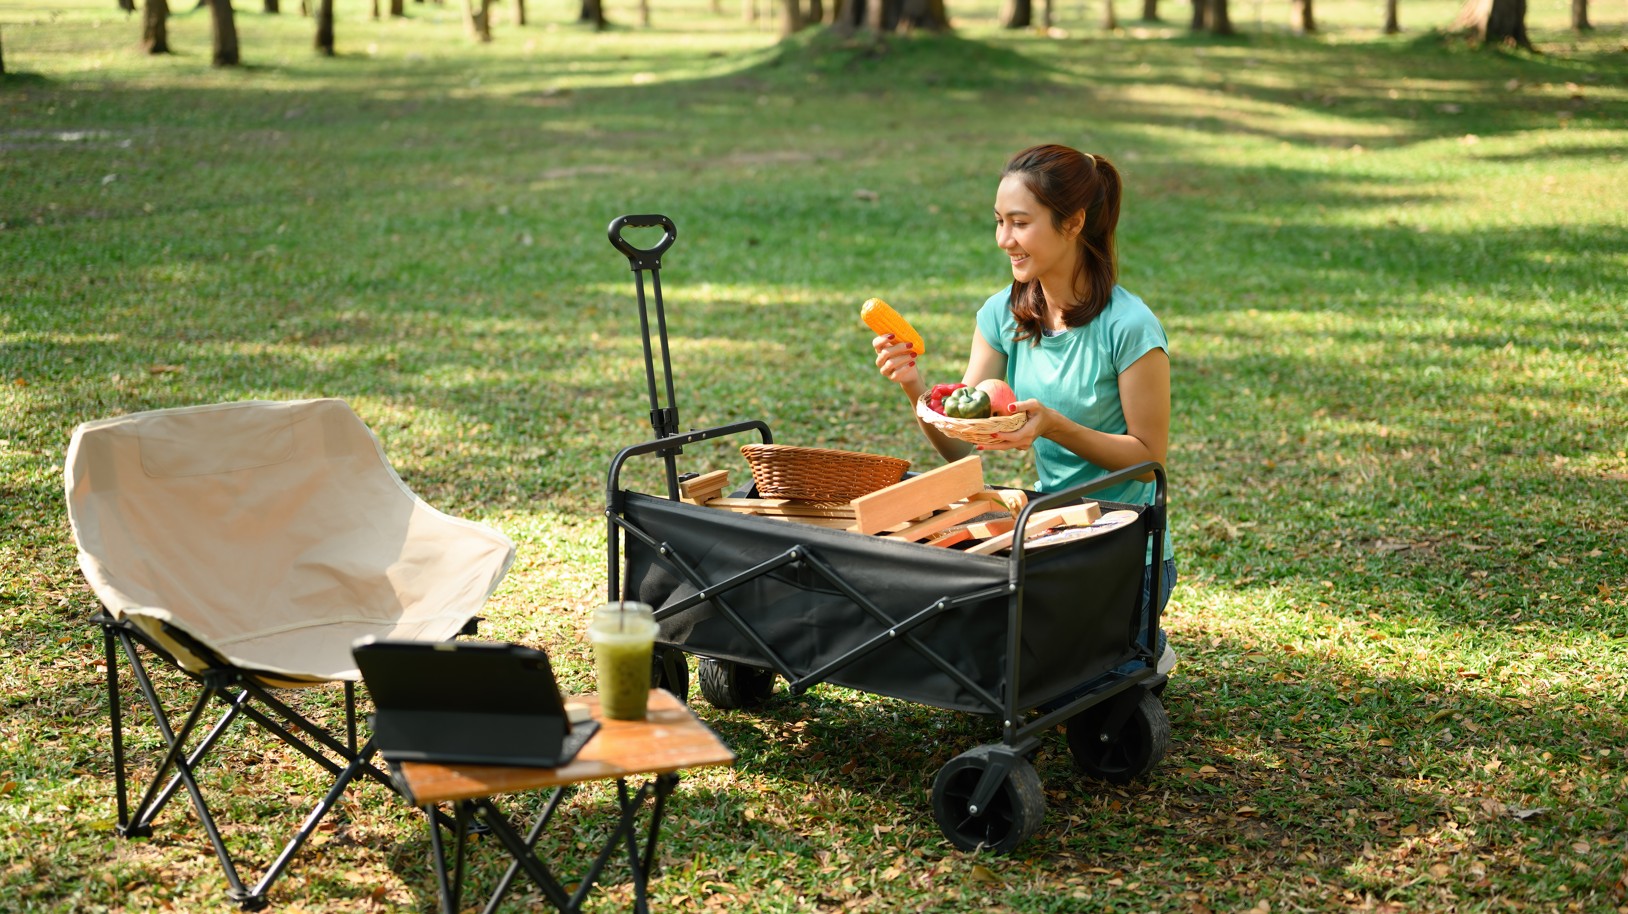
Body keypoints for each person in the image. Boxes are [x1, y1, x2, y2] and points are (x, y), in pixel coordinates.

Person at [870, 143, 1176, 677]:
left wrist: (1055, 426)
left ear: (1073, 222)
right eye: (999, 222)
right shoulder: (1001, 313)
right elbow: (959, 443)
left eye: (1020, 223)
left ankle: (1144, 643)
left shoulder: (1130, 327)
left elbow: (1148, 457)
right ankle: (1119, 647)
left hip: (1128, 553)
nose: (1004, 240)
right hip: (1049, 536)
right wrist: (915, 387)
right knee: (986, 664)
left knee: (1058, 684)